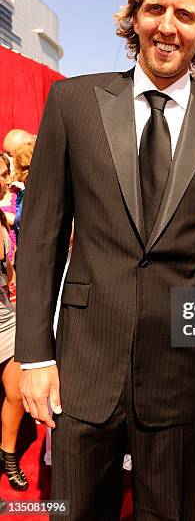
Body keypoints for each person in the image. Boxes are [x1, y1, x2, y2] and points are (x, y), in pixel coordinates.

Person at [15, 0, 195, 520]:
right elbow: (42, 236)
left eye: (185, 13)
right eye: (155, 9)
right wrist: (33, 357)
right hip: (83, 370)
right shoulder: (73, 102)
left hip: (182, 377)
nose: (168, 26)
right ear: (134, 19)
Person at [0, 154, 28, 498]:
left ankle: (8, 454)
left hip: (6, 315)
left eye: (7, 173)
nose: (8, 180)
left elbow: (10, 266)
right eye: (2, 175)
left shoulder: (5, 220)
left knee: (16, 390)